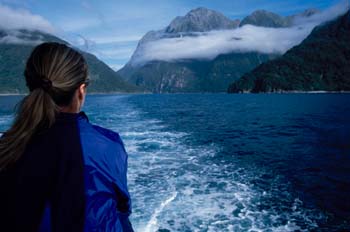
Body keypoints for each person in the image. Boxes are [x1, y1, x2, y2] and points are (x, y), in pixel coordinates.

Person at [0, 42, 133, 232]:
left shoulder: (7, 145)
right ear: (81, 91)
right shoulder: (108, 145)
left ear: (30, 86)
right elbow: (123, 207)